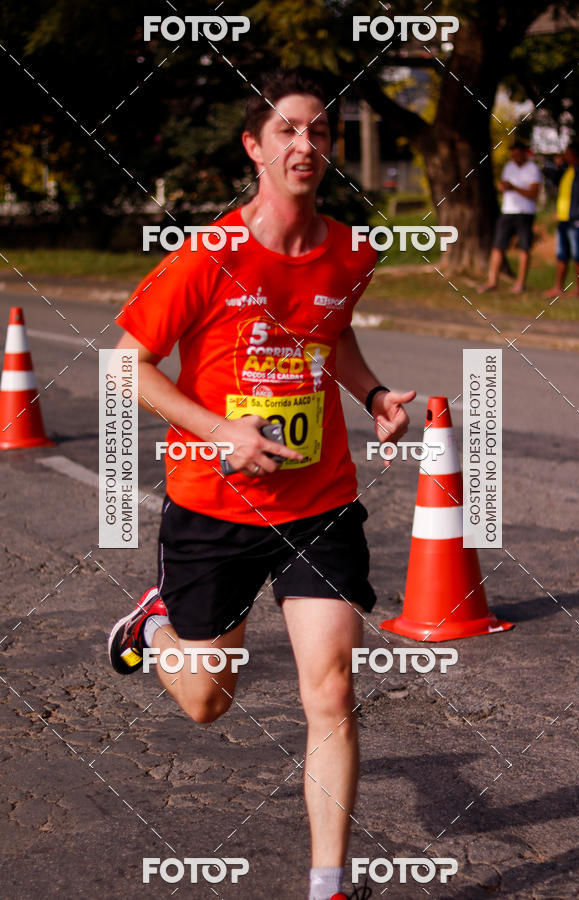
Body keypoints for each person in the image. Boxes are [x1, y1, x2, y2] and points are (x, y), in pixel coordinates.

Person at [107, 67, 414, 900]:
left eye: (318, 131)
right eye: (287, 130)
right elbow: (127, 368)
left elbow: (333, 336)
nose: (304, 144)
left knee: (334, 688)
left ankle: (328, 885)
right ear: (255, 146)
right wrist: (221, 431)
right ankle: (159, 627)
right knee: (207, 702)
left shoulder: (354, 249)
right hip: (212, 504)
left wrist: (375, 395)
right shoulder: (208, 255)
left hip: (318, 504)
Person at [479, 141, 542, 294]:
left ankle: (520, 284)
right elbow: (503, 187)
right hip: (507, 211)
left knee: (524, 248)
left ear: (524, 153)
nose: (515, 156)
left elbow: (533, 194)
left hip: (525, 212)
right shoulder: (509, 167)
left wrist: (513, 188)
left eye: (517, 153)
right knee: (498, 246)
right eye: (512, 154)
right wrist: (503, 187)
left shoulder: (533, 169)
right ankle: (493, 281)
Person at [543, 141, 579, 297]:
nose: (564, 156)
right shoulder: (567, 170)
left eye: (567, 153)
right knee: (562, 254)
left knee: (578, 255)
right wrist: (558, 166)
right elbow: (553, 181)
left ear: (574, 154)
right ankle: (558, 287)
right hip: (564, 219)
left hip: (578, 221)